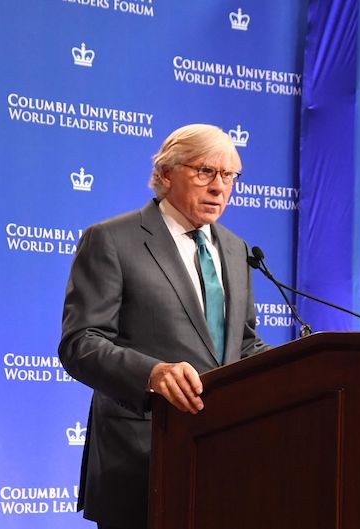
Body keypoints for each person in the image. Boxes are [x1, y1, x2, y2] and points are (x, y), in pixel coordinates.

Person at [58, 123, 270, 529]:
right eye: (205, 171)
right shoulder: (111, 240)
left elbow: (241, 344)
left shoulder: (236, 248)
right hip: (141, 457)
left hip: (223, 458)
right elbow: (80, 343)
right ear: (167, 173)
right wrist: (151, 375)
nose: (219, 187)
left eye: (229, 176)